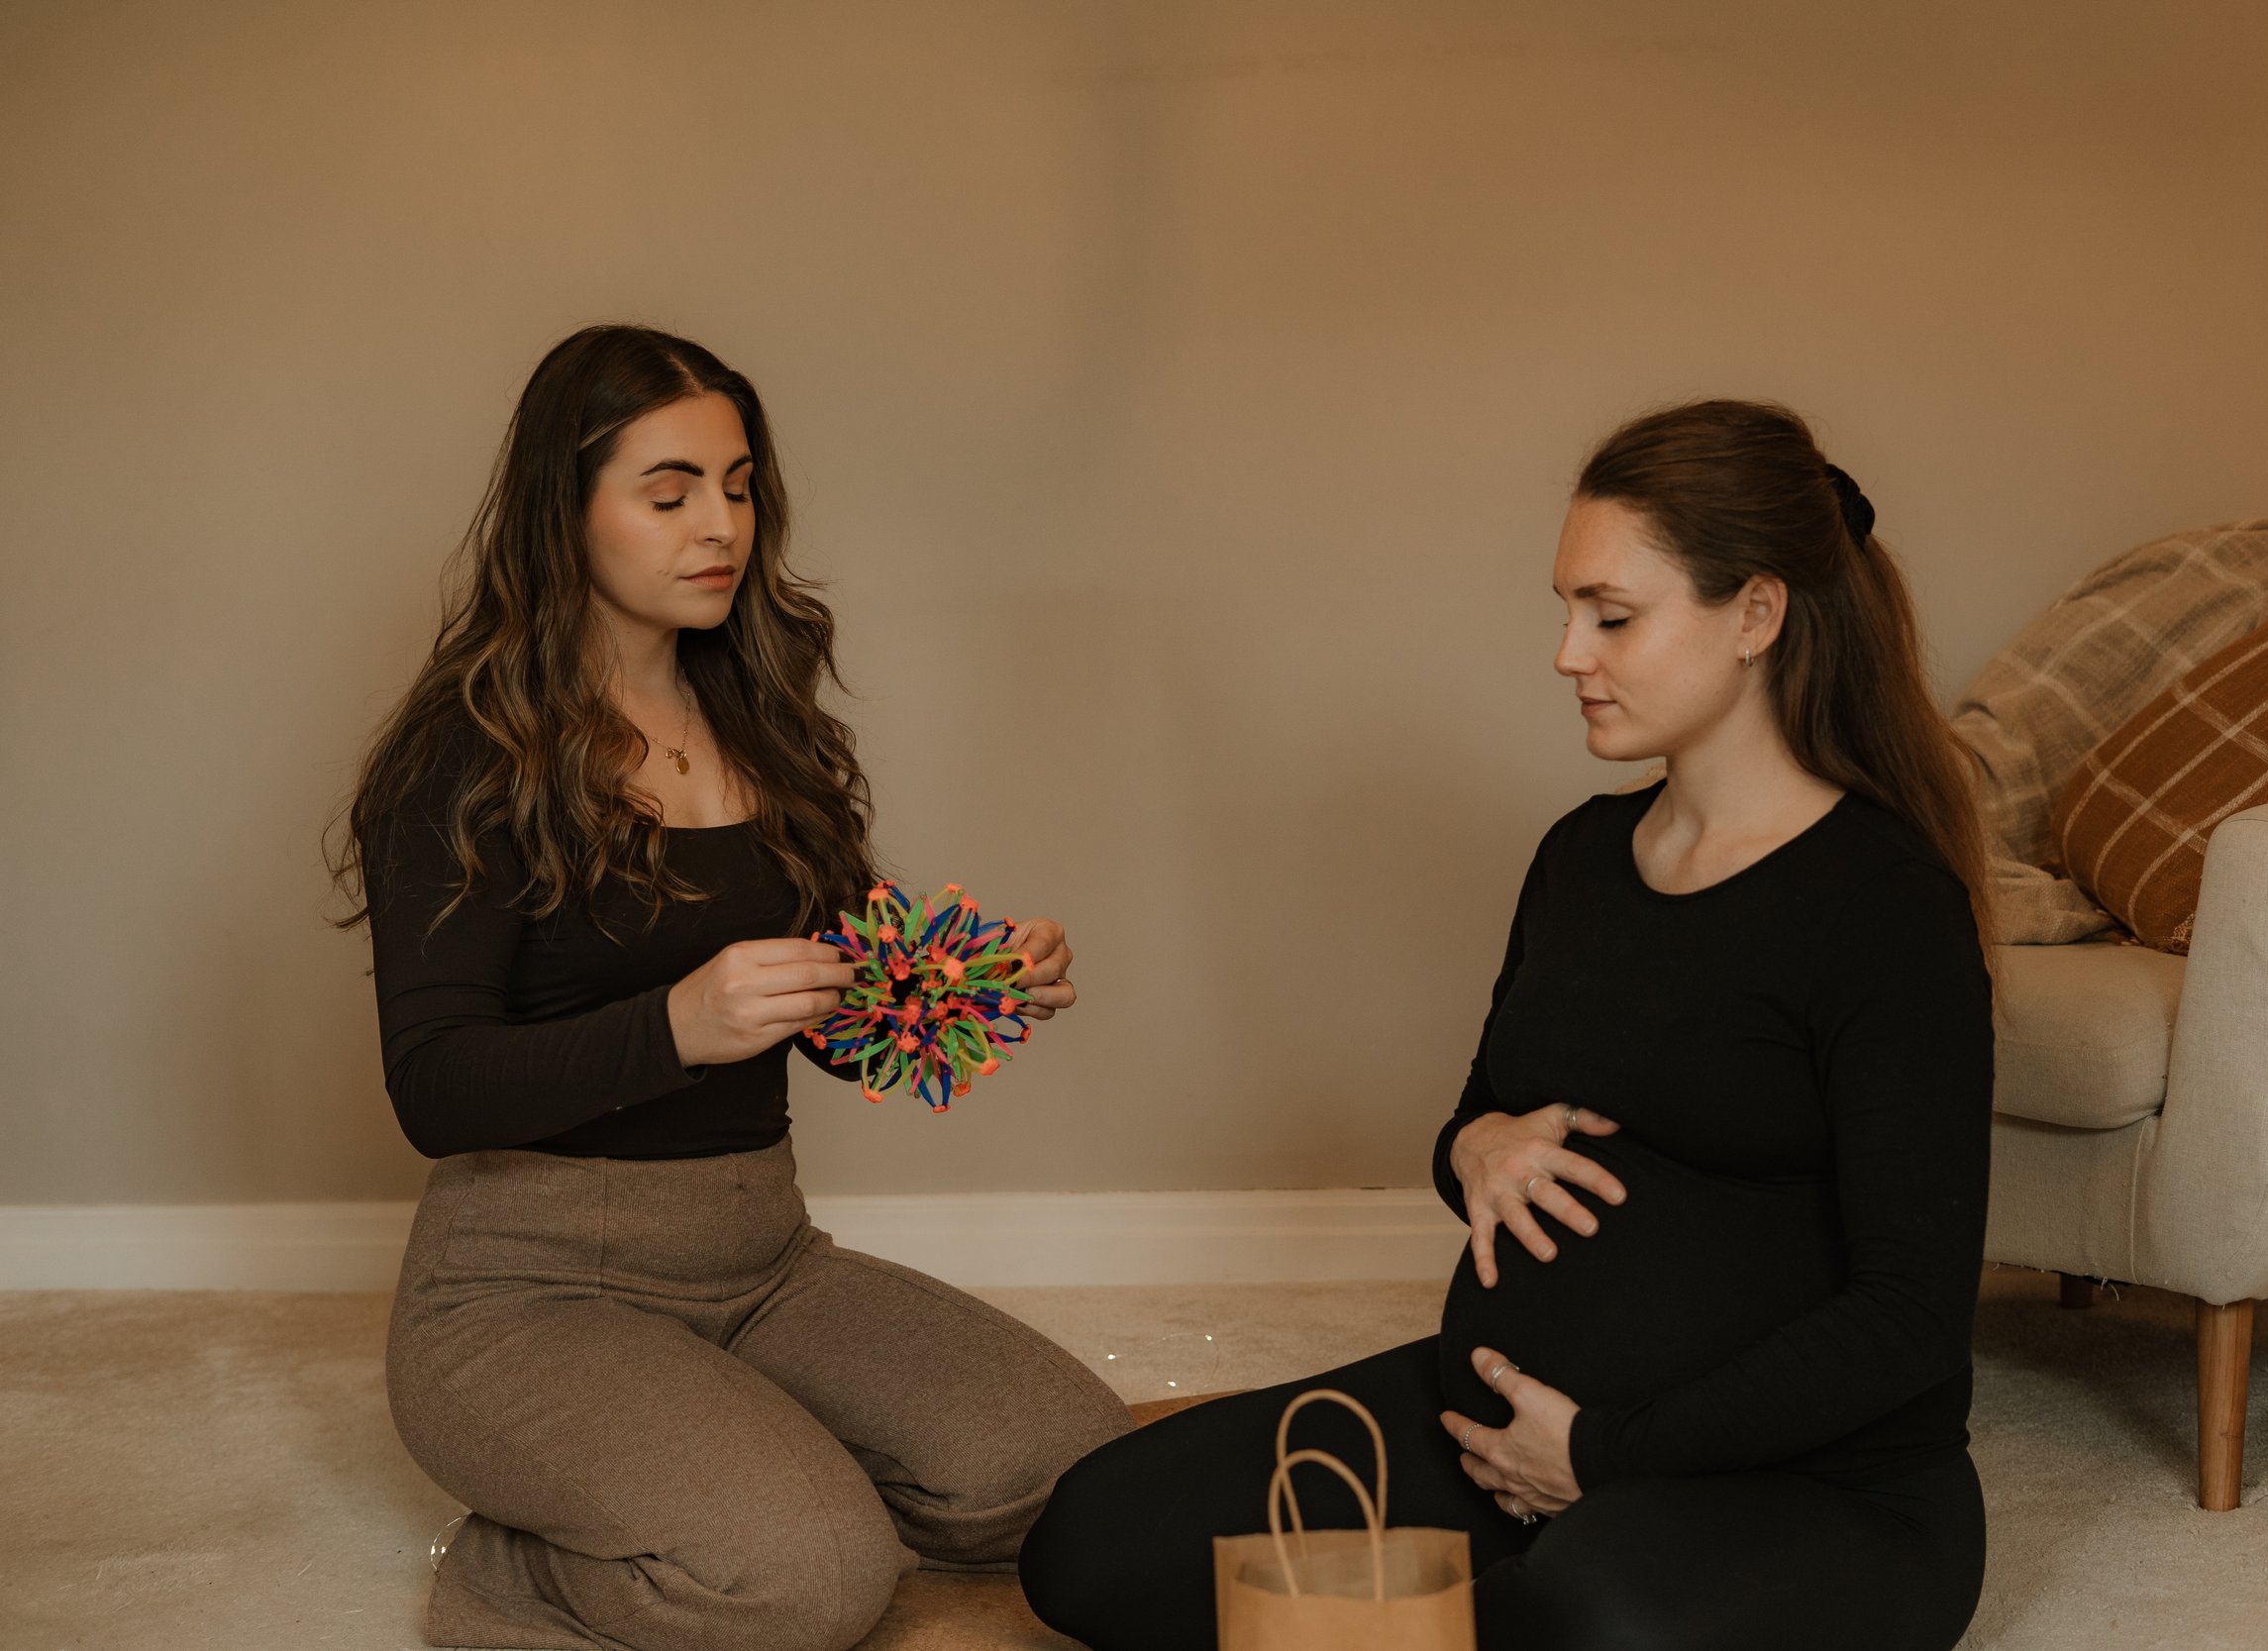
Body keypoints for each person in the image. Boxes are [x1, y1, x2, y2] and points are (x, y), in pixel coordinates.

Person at [1019, 398, 1998, 1651]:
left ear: (1755, 614)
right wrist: (1472, 1144)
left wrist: (1601, 1449)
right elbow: (1481, 1111)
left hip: (1807, 1488)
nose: (1566, 652)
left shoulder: (1883, 907)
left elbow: (1911, 1313)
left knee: (1592, 1617)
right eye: (1566, 609)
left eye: (1612, 615)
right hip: (1487, 1428)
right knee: (1093, 1537)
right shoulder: (1582, 856)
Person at [326, 324, 1132, 1651]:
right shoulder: (466, 755)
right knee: (814, 1580)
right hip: (528, 1288)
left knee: (1080, 1475)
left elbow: (836, 1024)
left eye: (740, 483)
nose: (723, 525)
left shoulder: (763, 724)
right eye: (671, 491)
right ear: (563, 510)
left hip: (761, 1258)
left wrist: (976, 987)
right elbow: (433, 1085)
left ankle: (732, 1464)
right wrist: (675, 1025)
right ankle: (523, 1564)